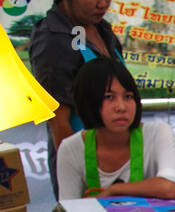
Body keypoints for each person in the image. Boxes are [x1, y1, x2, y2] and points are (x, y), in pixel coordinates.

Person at [28, 0, 125, 200]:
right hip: (86, 171)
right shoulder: (54, 40)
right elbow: (58, 122)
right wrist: (85, 177)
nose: (102, 4)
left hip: (120, 161)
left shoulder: (102, 29)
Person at [55, 59, 175, 201]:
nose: (121, 107)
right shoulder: (70, 148)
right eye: (109, 97)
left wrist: (113, 190)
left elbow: (171, 187)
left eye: (128, 96)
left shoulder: (158, 132)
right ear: (88, 102)